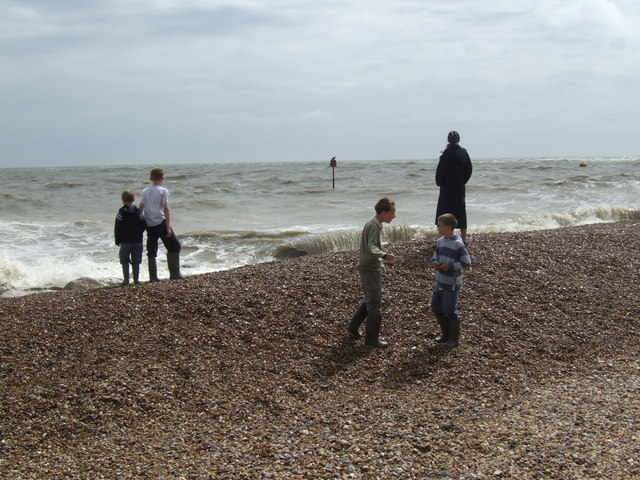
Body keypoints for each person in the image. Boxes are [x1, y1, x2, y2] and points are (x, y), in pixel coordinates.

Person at [346, 197, 397, 348]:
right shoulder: (374, 226)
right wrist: (384, 255)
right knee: (375, 303)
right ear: (383, 212)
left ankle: (353, 327)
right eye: (392, 213)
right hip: (370, 268)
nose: (394, 216)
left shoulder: (373, 224)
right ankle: (372, 339)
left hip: (366, 266)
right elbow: (371, 247)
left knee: (370, 298)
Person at [431, 213, 471, 347]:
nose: (437, 227)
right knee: (436, 307)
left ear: (448, 227)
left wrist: (451, 266)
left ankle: (453, 339)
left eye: (439, 225)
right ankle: (445, 335)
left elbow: (466, 262)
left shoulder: (458, 244)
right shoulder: (440, 241)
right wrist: (436, 263)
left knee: (450, 310)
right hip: (440, 281)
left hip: (452, 283)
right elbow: (435, 255)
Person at [139, 167, 184, 281]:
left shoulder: (145, 191)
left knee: (151, 250)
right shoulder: (163, 190)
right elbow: (166, 209)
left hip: (149, 224)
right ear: (162, 179)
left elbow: (141, 208)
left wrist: (140, 224)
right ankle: (174, 274)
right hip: (160, 222)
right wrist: (168, 228)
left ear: (150, 178)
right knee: (174, 246)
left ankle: (153, 277)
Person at [435, 130, 473, 244]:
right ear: (458, 140)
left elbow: (440, 172)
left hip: (447, 188)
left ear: (448, 140)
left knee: (443, 213)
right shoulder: (463, 152)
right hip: (459, 187)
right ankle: (463, 238)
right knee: (461, 211)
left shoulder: (445, 154)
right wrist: (463, 181)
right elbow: (469, 169)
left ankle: (444, 238)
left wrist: (439, 182)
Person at [114, 189, 146, 285]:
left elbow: (117, 227)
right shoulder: (138, 211)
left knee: (124, 259)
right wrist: (139, 232)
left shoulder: (121, 212)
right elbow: (144, 224)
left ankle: (126, 279)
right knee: (136, 260)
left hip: (125, 241)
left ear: (123, 200)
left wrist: (117, 240)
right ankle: (136, 280)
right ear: (133, 200)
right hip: (137, 240)